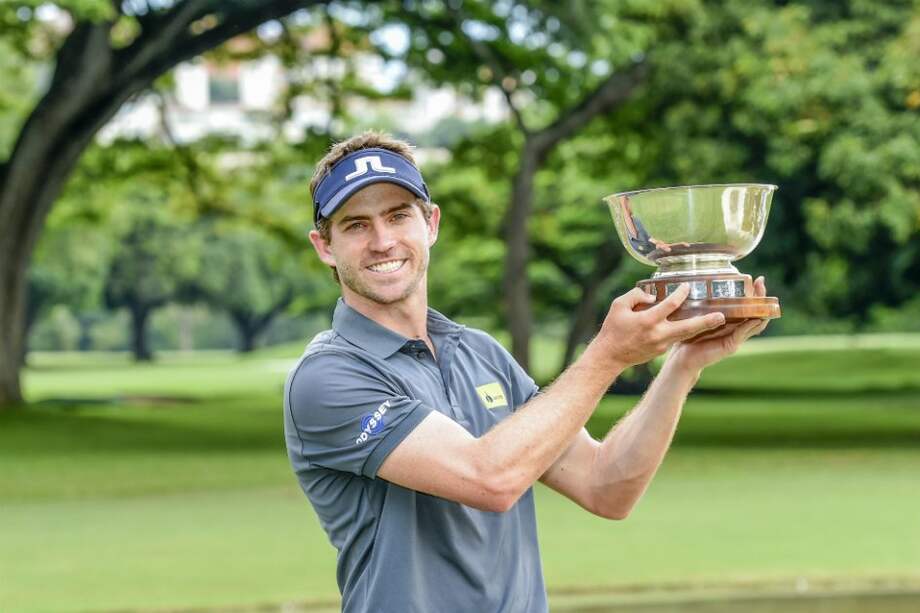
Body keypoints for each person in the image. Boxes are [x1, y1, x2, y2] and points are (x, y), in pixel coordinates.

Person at [283, 131, 769, 613]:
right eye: (356, 225)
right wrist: (608, 355)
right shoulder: (327, 377)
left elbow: (606, 487)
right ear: (324, 246)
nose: (383, 241)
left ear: (430, 223)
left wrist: (683, 364)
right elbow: (489, 479)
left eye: (397, 216)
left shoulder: (479, 353)